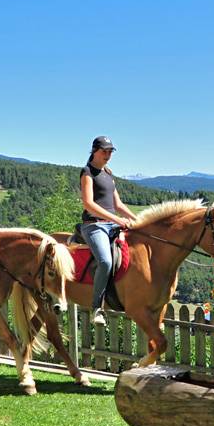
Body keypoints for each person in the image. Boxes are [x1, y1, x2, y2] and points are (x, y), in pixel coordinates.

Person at [79, 136, 141, 325]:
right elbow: (88, 204)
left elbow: (118, 204)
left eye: (110, 152)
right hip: (94, 225)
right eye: (104, 151)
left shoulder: (107, 173)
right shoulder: (87, 172)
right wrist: (115, 219)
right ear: (94, 150)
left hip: (112, 224)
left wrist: (137, 220)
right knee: (105, 261)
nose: (107, 155)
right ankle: (97, 308)